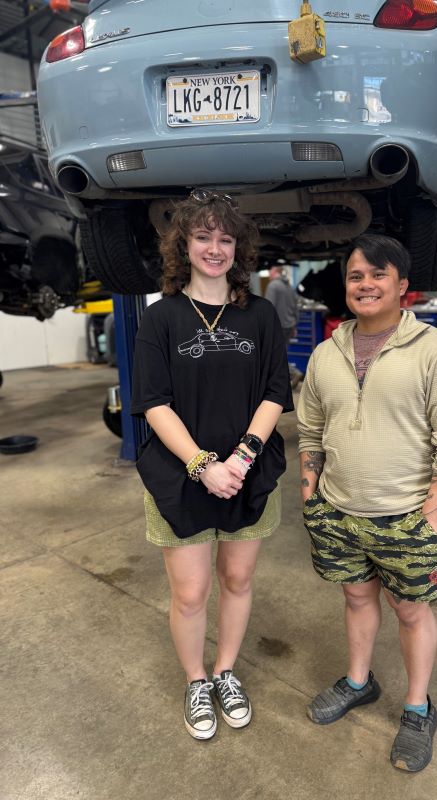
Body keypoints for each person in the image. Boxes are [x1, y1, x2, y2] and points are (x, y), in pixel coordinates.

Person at [297, 233, 437, 772]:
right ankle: (359, 682)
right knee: (356, 600)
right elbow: (309, 429)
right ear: (346, 287)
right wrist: (312, 497)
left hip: (406, 517)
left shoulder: (435, 350)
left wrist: (435, 514)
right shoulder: (325, 353)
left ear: (403, 287)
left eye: (379, 275)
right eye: (356, 276)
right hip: (339, 512)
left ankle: (418, 708)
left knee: (411, 610)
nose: (366, 284)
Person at [131, 190, 293, 741]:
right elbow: (153, 402)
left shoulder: (262, 314)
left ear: (239, 249)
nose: (215, 248)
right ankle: (197, 679)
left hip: (246, 471)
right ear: (184, 246)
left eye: (226, 238)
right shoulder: (161, 318)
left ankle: (226, 670)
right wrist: (203, 465)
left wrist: (241, 460)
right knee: (191, 592)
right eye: (203, 237)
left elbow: (275, 391)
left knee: (239, 579)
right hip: (180, 474)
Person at [264, 263, 302, 387]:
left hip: (277, 327)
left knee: (272, 356)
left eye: (270, 271)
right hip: (289, 326)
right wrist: (294, 325)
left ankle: (293, 372)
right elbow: (296, 307)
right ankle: (283, 380)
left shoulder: (273, 285)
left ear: (275, 272)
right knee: (279, 354)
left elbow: (268, 308)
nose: (269, 274)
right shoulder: (289, 287)